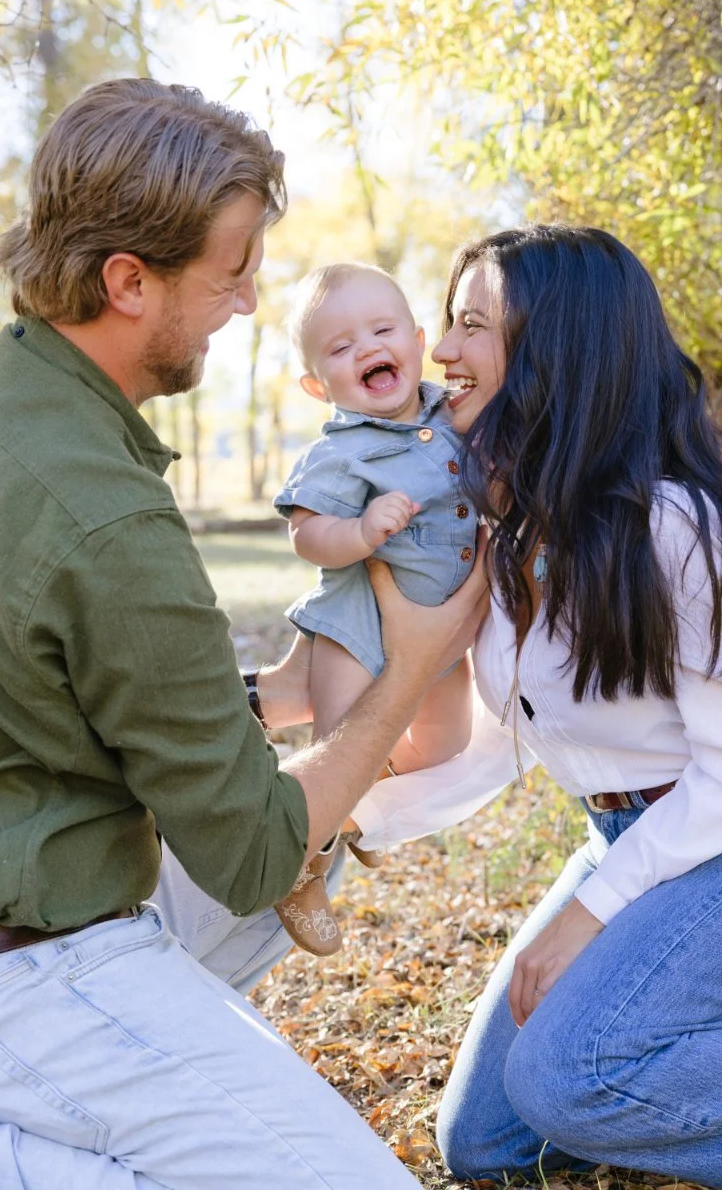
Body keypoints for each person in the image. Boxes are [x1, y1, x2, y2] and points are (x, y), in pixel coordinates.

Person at [0, 78, 488, 1190]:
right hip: (23, 963)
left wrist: (267, 693)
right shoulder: (106, 515)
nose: (249, 301)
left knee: (314, 827)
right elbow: (254, 858)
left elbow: (48, 669)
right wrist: (410, 666)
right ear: (128, 282)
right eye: (232, 270)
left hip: (20, 861)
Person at [375, 224, 722, 1190]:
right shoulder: (524, 532)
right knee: (485, 1141)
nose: (440, 349)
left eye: (472, 324)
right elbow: (509, 735)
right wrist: (351, 816)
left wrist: (590, 915)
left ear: (558, 347)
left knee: (570, 1077)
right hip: (627, 837)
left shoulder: (680, 527)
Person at [270, 262, 476, 954]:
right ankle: (298, 866)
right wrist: (358, 532)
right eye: (340, 346)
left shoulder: (455, 415)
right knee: (336, 750)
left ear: (417, 343)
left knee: (446, 744)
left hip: (442, 630)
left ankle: (360, 802)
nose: (366, 347)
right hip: (357, 627)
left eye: (382, 331)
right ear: (317, 386)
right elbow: (306, 533)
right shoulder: (340, 453)